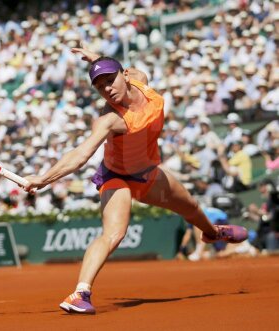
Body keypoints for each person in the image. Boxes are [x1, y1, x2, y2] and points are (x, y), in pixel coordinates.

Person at [22, 48, 249, 314]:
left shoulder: (140, 79)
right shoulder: (109, 120)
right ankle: (80, 293)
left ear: (126, 75)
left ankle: (213, 233)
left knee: (190, 207)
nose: (106, 88)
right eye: (99, 86)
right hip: (116, 177)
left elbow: (121, 70)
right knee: (114, 233)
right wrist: (44, 178)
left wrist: (96, 58)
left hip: (148, 173)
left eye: (110, 80)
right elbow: (81, 154)